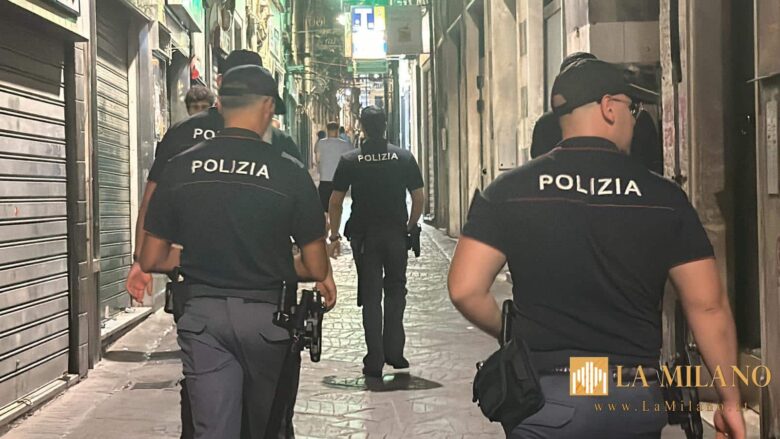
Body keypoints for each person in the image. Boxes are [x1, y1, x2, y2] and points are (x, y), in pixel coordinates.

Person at [448, 59, 745, 438]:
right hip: (631, 397)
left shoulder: (509, 191)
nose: (634, 120)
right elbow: (708, 306)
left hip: (549, 399)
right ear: (608, 107)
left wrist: (514, 334)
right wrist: (730, 401)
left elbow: (464, 289)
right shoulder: (663, 197)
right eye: (632, 109)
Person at [138, 65, 336, 439]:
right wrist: (272, 261)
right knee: (267, 427)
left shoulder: (182, 166)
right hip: (267, 319)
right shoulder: (289, 172)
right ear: (267, 107)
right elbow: (315, 265)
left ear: (221, 105)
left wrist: (198, 256)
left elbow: (150, 258)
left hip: (202, 317)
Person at [328, 106, 425, 378]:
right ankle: (395, 352)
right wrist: (410, 225)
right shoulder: (403, 157)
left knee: (371, 296)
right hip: (396, 235)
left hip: (365, 238)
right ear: (385, 126)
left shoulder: (351, 160)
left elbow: (335, 201)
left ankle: (375, 358)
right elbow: (418, 197)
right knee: (396, 291)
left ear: (362, 127)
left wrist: (334, 235)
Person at [530, 53, 664, 175]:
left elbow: (538, 164)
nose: (632, 119)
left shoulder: (545, 125)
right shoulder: (656, 190)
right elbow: (653, 164)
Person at [314, 122, 353, 230]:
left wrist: (320, 168)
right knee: (337, 206)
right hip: (339, 179)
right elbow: (350, 159)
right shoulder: (345, 144)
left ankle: (324, 229)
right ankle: (335, 231)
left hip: (324, 179)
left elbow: (318, 159)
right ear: (337, 130)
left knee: (324, 208)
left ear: (327, 130)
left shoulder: (321, 143)